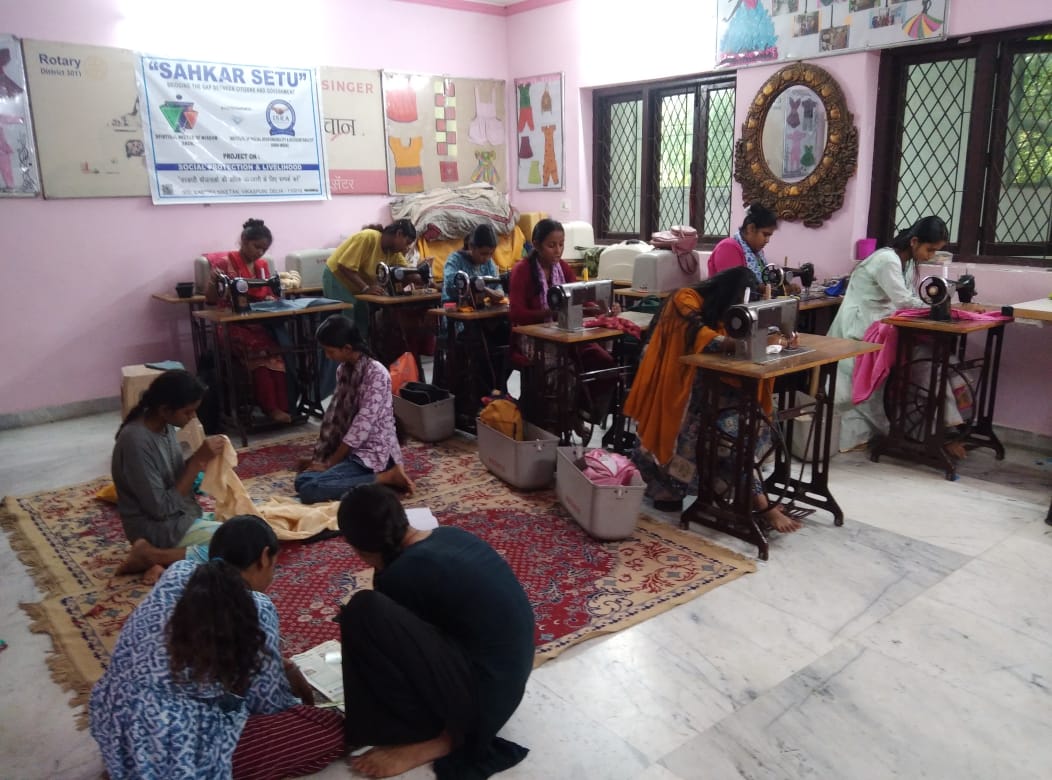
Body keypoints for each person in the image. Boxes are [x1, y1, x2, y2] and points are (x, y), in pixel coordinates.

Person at [90, 515, 345, 780]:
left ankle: (130, 766)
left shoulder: (176, 573)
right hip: (171, 744)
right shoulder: (256, 607)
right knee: (329, 729)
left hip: (113, 721)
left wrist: (272, 666)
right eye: (274, 564)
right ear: (264, 557)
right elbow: (268, 704)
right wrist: (295, 699)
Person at [336, 484, 535, 779]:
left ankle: (438, 739)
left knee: (363, 611)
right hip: (507, 681)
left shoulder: (401, 574)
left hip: (482, 703)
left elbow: (400, 654)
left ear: (360, 549)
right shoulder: (449, 535)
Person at [624, 267, 801, 533]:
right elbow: (705, 338)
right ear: (727, 293)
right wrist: (758, 342)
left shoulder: (718, 309)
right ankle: (757, 501)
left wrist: (776, 338)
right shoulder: (684, 299)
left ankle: (748, 494)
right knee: (725, 426)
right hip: (672, 374)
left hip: (701, 375)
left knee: (751, 419)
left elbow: (732, 335)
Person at [827, 215, 966, 455]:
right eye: (930, 249)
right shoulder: (887, 260)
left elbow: (909, 297)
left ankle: (937, 430)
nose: (931, 256)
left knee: (934, 361)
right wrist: (938, 305)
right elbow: (903, 300)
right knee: (914, 367)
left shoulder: (907, 262)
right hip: (859, 329)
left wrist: (936, 304)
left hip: (880, 326)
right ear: (914, 241)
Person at [112, 370, 227, 582]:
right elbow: (160, 509)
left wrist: (202, 461)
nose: (192, 417)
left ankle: (163, 561)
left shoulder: (164, 426)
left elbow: (174, 476)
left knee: (250, 523)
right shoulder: (136, 442)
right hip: (156, 527)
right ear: (165, 410)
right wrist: (196, 462)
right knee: (236, 546)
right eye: (188, 412)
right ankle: (153, 556)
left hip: (180, 515)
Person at [508, 219, 618, 435]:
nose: (558, 250)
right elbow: (516, 313)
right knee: (564, 371)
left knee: (605, 363)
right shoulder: (522, 271)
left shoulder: (564, 268)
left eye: (561, 244)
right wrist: (551, 312)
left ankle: (580, 412)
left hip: (563, 334)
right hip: (533, 338)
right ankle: (558, 423)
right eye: (551, 245)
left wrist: (600, 309)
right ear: (536, 245)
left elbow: (579, 298)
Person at [295, 316, 413, 503]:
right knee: (302, 481)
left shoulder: (377, 373)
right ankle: (359, 480)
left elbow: (360, 428)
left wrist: (330, 464)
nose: (327, 356)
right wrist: (323, 459)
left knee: (310, 490)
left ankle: (386, 477)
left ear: (347, 348)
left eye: (330, 351)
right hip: (351, 452)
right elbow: (338, 418)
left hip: (373, 452)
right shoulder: (343, 370)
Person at [204, 218, 292, 424]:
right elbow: (210, 300)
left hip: (256, 323)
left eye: (264, 249)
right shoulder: (225, 264)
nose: (260, 252)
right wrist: (214, 282)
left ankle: (284, 406)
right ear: (243, 241)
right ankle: (271, 408)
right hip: (230, 325)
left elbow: (269, 291)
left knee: (276, 353)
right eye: (256, 246)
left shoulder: (262, 266)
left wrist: (271, 298)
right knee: (260, 352)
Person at [439, 223, 511, 398]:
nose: (487, 258)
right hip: (457, 319)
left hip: (482, 318)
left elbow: (498, 288)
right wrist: (481, 289)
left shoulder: (489, 264)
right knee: (481, 345)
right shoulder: (454, 261)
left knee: (509, 337)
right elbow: (451, 288)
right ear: (471, 247)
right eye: (483, 253)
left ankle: (497, 387)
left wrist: (493, 293)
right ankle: (482, 391)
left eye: (490, 254)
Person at [323, 219, 417, 338]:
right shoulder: (368, 237)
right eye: (407, 243)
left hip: (357, 284)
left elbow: (407, 271)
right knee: (345, 321)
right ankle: (342, 349)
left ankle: (360, 349)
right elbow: (344, 266)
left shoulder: (393, 253)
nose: (406, 248)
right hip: (337, 277)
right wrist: (366, 288)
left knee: (362, 319)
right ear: (399, 234)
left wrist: (422, 276)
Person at [707, 203, 781, 288]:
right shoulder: (728, 248)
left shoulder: (758, 253)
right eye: (765, 235)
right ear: (751, 228)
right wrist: (763, 289)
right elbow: (733, 287)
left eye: (769, 236)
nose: (767, 240)